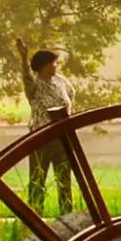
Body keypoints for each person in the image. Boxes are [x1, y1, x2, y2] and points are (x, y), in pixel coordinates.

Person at [17, 37, 76, 214]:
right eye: (52, 62)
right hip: (41, 138)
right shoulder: (34, 86)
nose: (56, 65)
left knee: (64, 180)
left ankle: (67, 216)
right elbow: (26, 75)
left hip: (62, 137)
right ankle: (35, 216)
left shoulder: (61, 81)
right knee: (37, 179)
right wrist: (24, 57)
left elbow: (71, 96)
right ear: (43, 66)